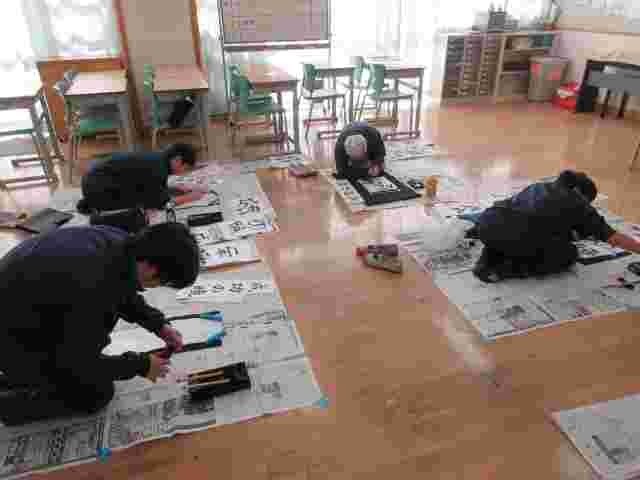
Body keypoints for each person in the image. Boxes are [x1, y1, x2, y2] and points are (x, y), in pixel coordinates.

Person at [0, 223, 200, 426]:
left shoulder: (120, 243)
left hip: (19, 305)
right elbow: (80, 361)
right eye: (163, 283)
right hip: (12, 340)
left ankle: (25, 377)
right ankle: (9, 404)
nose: (155, 287)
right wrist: (142, 365)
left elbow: (123, 290)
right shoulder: (89, 288)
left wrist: (159, 326)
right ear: (153, 269)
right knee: (95, 393)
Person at [470, 170, 640, 283]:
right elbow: (614, 238)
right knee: (567, 254)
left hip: (486, 225)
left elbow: (529, 215)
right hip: (514, 236)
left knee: (510, 233)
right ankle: (503, 271)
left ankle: (486, 261)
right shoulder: (578, 203)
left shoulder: (539, 186)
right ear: (581, 194)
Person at [77, 143, 206, 213]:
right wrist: (190, 197)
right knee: (144, 207)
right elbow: (161, 203)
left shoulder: (158, 160)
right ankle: (98, 205)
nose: (185, 173)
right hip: (98, 191)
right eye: (186, 168)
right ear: (177, 160)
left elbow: (151, 184)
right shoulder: (158, 169)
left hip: (93, 181)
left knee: (146, 195)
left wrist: (175, 189)